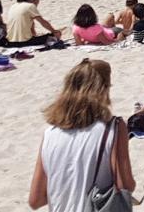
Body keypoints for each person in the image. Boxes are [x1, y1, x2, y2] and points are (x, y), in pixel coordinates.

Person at [28, 59, 135, 211]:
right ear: (103, 89)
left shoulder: (50, 134)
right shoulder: (113, 128)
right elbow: (125, 185)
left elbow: (35, 200)